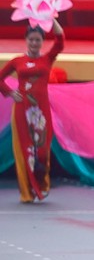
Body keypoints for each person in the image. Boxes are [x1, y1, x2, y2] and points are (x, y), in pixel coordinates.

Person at [1, 15, 63, 203]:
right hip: (22, 109)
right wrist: (10, 93)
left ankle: (42, 185)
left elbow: (60, 41)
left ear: (42, 42)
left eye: (38, 40)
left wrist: (50, 17)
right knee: (25, 151)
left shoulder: (47, 59)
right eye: (31, 39)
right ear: (26, 41)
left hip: (41, 111)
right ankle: (26, 192)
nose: (34, 43)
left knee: (42, 152)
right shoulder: (17, 61)